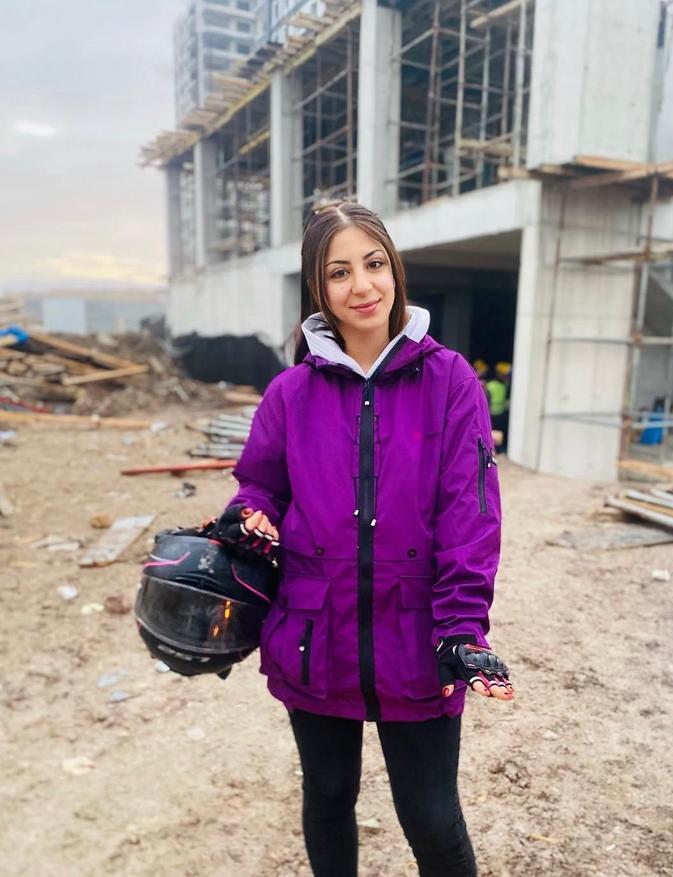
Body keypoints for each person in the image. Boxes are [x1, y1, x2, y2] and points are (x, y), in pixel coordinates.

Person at [219, 201, 513, 877]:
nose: (362, 285)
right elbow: (261, 485)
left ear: (395, 269)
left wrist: (460, 628)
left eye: (374, 263)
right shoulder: (290, 393)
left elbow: (471, 514)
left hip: (419, 639)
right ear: (318, 288)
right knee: (327, 798)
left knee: (431, 815)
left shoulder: (451, 381)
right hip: (314, 634)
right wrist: (250, 514)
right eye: (339, 272)